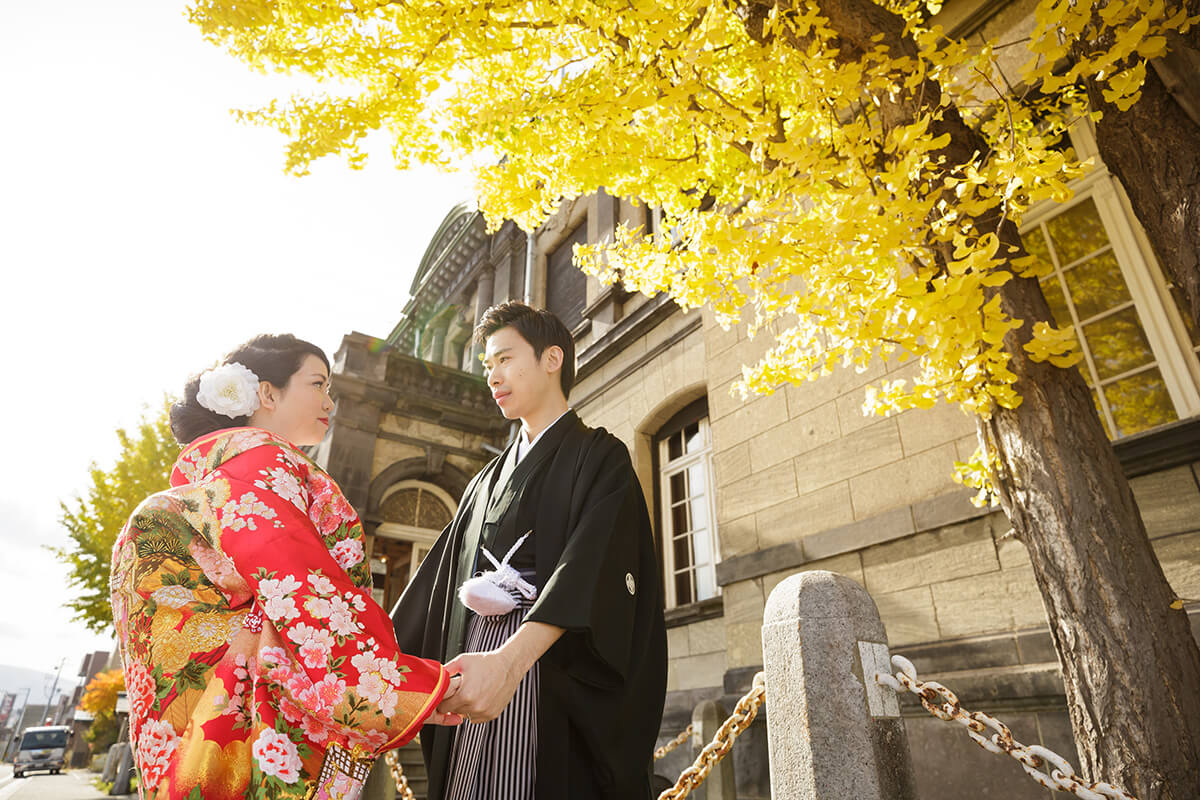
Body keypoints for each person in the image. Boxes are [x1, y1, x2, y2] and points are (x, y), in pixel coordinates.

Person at [110, 334, 463, 800]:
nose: (329, 400)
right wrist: (411, 687)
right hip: (259, 728)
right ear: (267, 394)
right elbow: (303, 589)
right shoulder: (266, 464)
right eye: (318, 383)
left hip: (207, 726)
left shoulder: (220, 475)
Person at [391, 303, 668, 800]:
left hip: (541, 662)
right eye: (487, 366)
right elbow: (432, 587)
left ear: (552, 358)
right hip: (472, 667)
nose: (492, 377)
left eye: (504, 359)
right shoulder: (485, 480)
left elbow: (590, 568)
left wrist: (511, 662)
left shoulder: (600, 456)